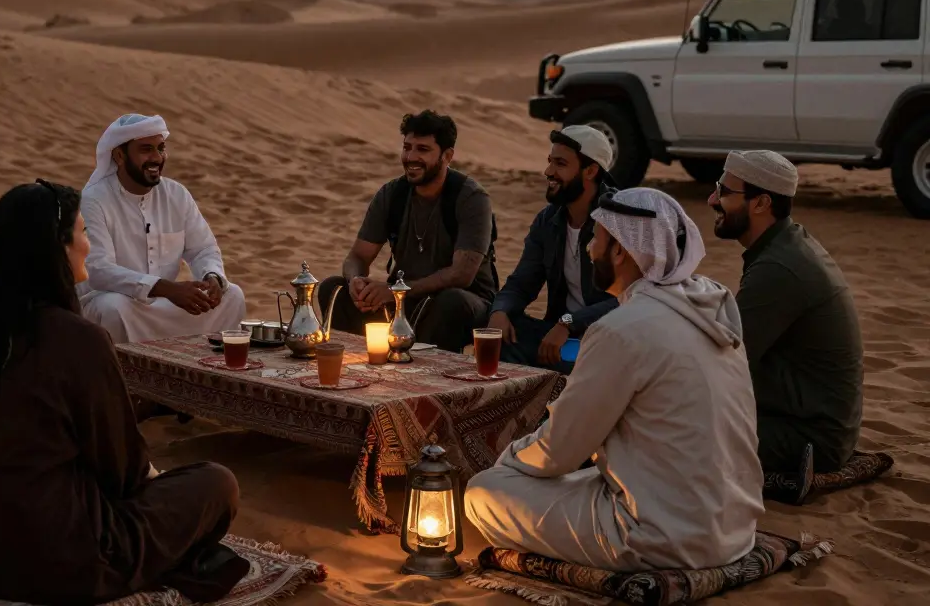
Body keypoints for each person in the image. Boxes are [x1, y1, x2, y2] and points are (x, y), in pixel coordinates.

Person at [0, 179, 248, 605]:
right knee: (217, 484)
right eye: (82, 234)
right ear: (57, 247)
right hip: (56, 563)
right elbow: (123, 470)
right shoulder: (79, 339)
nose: (88, 246)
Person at [464, 188, 763, 571]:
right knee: (578, 479)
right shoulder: (712, 309)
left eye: (597, 238)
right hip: (735, 527)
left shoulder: (620, 330)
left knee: (483, 492)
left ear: (620, 251)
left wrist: (507, 461)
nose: (589, 249)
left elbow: (560, 450)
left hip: (662, 537)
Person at [709, 150, 863, 477]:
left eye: (724, 192)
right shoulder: (786, 246)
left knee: (671, 435)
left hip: (808, 439)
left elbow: (722, 363)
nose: (712, 200)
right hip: (791, 415)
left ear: (762, 204)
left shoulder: (779, 268)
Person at [320, 110, 496, 353]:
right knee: (334, 288)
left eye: (422, 150)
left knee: (451, 302)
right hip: (402, 300)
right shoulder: (392, 194)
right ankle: (352, 368)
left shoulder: (471, 198)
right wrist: (356, 282)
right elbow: (357, 257)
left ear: (447, 156)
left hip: (463, 302)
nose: (411, 157)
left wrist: (394, 293)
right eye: (407, 147)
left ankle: (428, 375)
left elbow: (461, 275)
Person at [78, 114, 245, 343]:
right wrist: (166, 289)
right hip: (115, 300)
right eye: (146, 149)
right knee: (112, 308)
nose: (156, 157)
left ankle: (205, 367)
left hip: (163, 302)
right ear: (119, 155)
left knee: (232, 295)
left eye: (161, 148)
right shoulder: (94, 199)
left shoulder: (176, 194)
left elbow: (203, 249)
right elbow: (98, 270)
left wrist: (212, 276)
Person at [487, 126, 620, 373]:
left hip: (608, 340)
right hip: (559, 338)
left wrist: (569, 323)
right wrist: (499, 311)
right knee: (504, 331)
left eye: (560, 164)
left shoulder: (619, 220)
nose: (549, 172)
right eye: (550, 162)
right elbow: (521, 283)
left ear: (590, 171)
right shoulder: (548, 221)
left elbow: (628, 298)